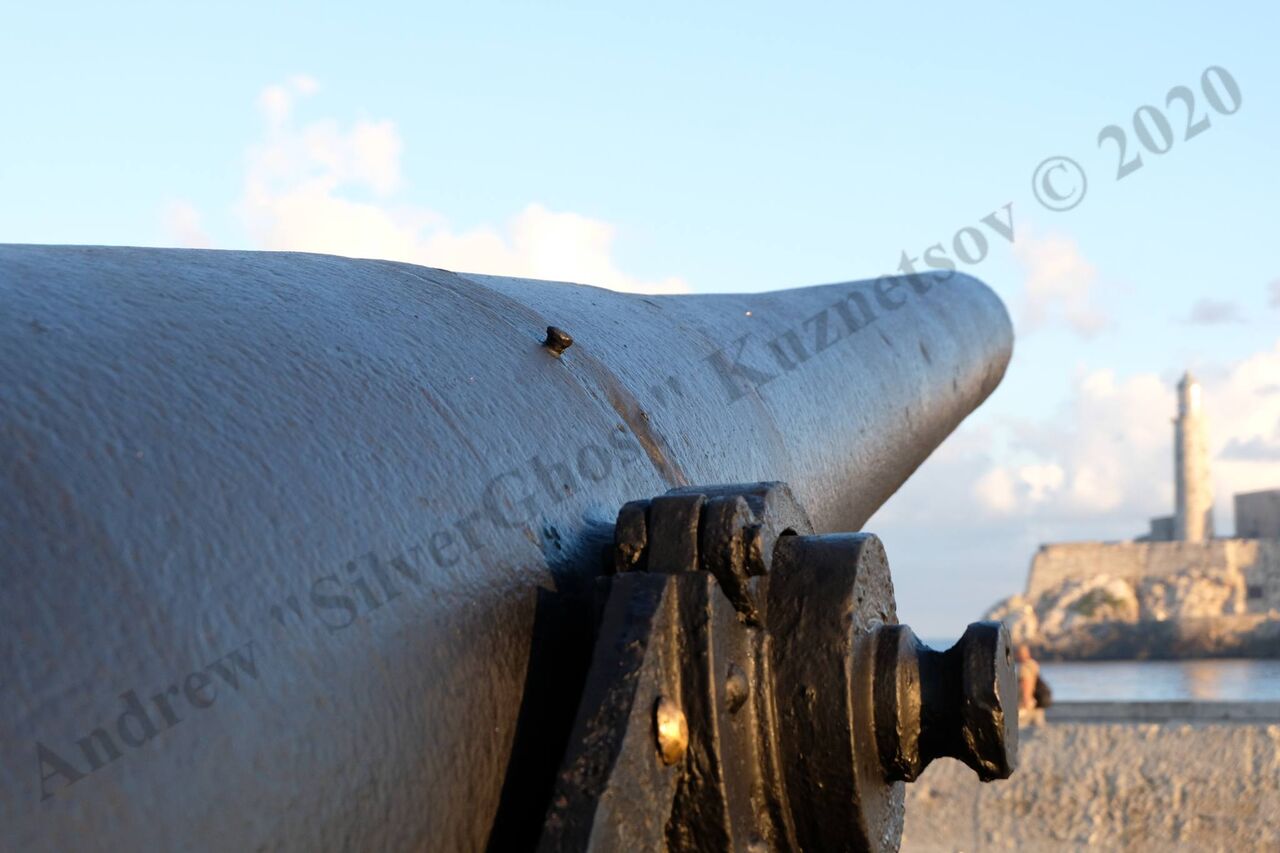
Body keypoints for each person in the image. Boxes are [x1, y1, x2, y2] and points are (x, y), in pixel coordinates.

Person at [1015, 644, 1045, 727]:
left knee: (1019, 728)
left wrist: (1026, 700)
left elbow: (1026, 683)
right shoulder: (1033, 664)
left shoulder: (1024, 667)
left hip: (1026, 702)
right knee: (1038, 727)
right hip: (1036, 700)